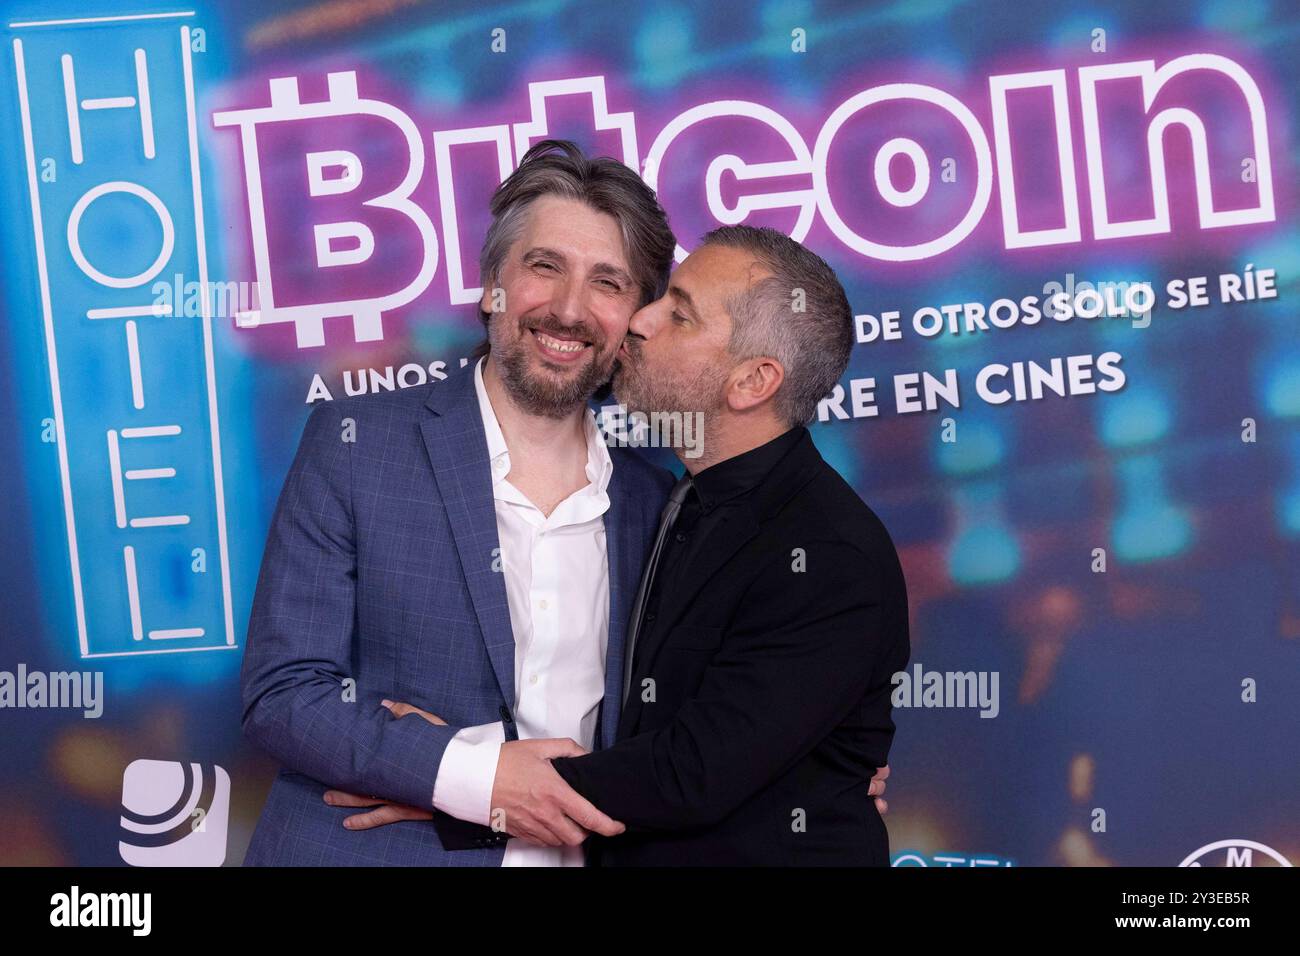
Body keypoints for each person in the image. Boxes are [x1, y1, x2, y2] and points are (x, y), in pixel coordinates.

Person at [335, 223, 905, 865]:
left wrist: (471, 787)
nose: (639, 319)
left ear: (752, 381)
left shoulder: (829, 553)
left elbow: (691, 774)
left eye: (679, 315)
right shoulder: (668, 497)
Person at [240, 139, 676, 865]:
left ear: (636, 318)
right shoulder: (357, 443)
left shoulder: (658, 503)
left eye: (608, 283)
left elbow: (690, 733)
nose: (569, 310)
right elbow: (283, 693)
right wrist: (469, 777)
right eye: (545, 267)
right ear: (490, 285)